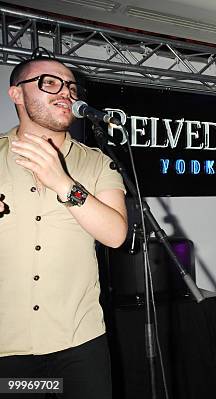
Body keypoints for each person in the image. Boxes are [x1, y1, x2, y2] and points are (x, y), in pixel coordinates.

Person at [0, 56, 128, 398]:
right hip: (6, 348)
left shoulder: (97, 161)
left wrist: (62, 183)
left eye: (71, 86)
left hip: (79, 343)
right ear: (17, 94)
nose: (66, 93)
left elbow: (115, 235)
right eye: (50, 83)